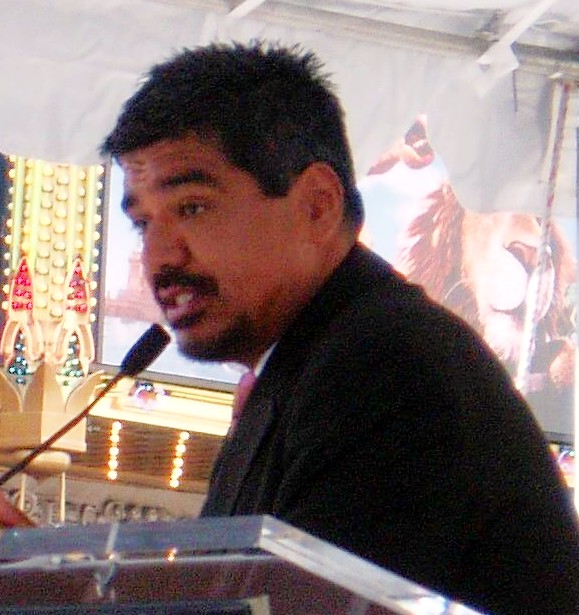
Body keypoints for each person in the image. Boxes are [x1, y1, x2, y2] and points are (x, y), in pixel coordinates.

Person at [1, 40, 577, 614]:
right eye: (144, 223)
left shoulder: (387, 369)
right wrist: (46, 580)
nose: (159, 257)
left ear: (317, 205)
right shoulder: (314, 363)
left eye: (192, 208)